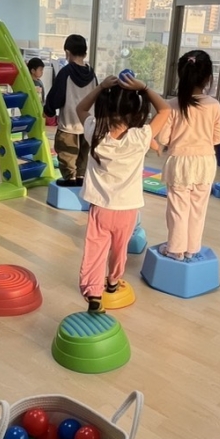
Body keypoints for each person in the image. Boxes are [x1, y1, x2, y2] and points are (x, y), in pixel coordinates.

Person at [76, 74, 170, 314]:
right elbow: (165, 110)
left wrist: (100, 87)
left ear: (105, 107)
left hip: (100, 209)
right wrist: (144, 87)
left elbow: (80, 108)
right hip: (127, 210)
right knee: (119, 250)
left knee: (95, 251)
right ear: (135, 110)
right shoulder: (140, 137)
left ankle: (93, 294)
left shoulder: (94, 131)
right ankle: (113, 281)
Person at [155, 50, 220, 260]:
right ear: (208, 78)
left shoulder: (172, 104)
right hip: (205, 162)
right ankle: (192, 249)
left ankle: (175, 249)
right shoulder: (213, 105)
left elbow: (163, 137)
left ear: (181, 75)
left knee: (178, 208)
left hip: (179, 163)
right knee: (198, 209)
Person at [43, 34, 97, 186]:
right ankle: (81, 175)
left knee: (66, 151)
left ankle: (70, 177)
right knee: (84, 152)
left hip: (69, 122)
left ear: (67, 53)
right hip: (88, 123)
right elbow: (97, 95)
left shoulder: (66, 72)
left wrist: (48, 111)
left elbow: (56, 95)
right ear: (85, 53)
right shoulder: (92, 74)